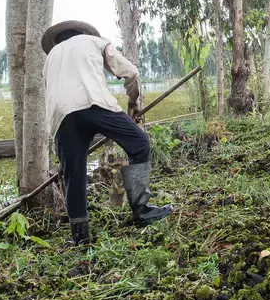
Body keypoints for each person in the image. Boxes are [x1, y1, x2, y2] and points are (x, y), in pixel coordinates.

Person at [41, 20, 173, 245]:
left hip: (61, 116)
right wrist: (133, 104)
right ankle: (141, 210)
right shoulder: (94, 41)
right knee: (140, 143)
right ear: (82, 33)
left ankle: (80, 237)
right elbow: (130, 72)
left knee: (74, 173)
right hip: (94, 103)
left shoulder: (50, 58)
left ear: (57, 40)